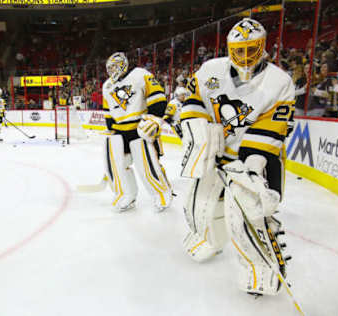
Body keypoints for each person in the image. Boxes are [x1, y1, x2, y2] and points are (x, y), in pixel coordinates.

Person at [179, 18, 294, 297]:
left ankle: (263, 268)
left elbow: (273, 128)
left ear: (263, 46)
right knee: (197, 205)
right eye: (238, 50)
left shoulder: (280, 82)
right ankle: (208, 238)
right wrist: (200, 126)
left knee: (246, 214)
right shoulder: (210, 70)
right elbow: (193, 101)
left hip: (255, 160)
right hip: (216, 155)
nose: (244, 56)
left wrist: (252, 169)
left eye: (250, 49)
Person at [102, 52, 173, 212]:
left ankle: (161, 193)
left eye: (114, 66)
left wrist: (154, 119)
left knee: (146, 165)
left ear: (123, 64)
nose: (112, 70)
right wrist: (111, 128)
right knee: (120, 166)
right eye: (109, 68)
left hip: (139, 129)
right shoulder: (106, 86)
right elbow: (108, 111)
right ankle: (127, 194)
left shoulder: (140, 74)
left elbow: (157, 97)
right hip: (120, 133)